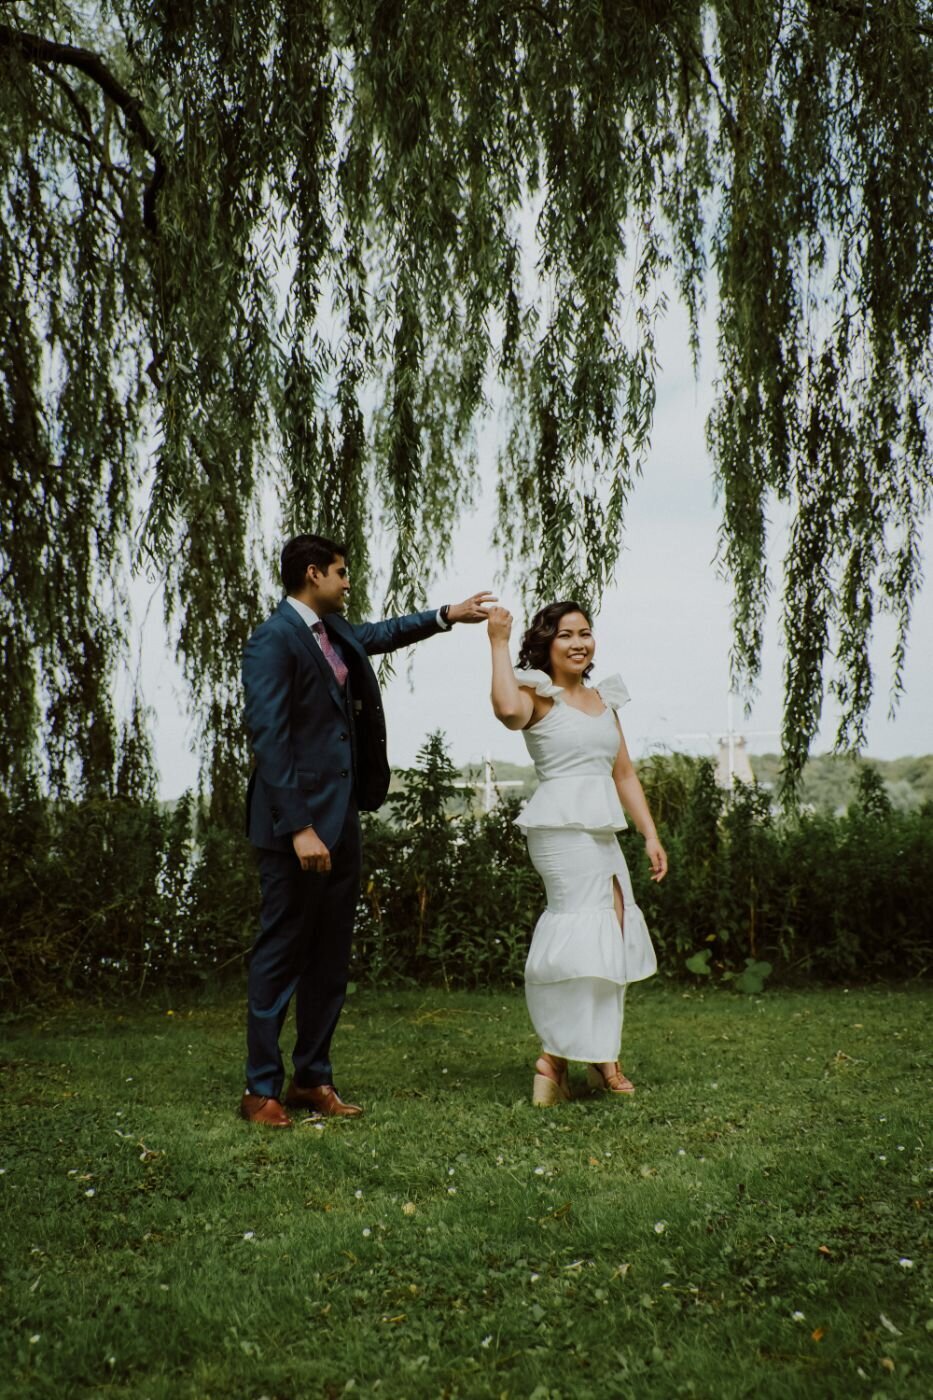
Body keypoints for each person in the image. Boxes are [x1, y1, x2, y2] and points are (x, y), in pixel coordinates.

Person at [240, 532, 493, 1127]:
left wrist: (447, 616)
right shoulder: (272, 642)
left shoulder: (334, 631)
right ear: (312, 574)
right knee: (281, 956)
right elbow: (270, 741)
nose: (348, 581)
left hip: (343, 818)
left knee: (330, 958)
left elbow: (380, 635)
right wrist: (300, 827)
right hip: (294, 831)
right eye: (340, 571)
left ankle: (312, 1079)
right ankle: (260, 1091)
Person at [487, 599, 667, 1105]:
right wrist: (498, 643)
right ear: (547, 643)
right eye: (566, 634)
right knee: (583, 929)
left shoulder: (603, 700)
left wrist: (649, 834)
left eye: (585, 633)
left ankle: (592, 1057)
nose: (579, 643)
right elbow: (505, 711)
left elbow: (624, 772)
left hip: (603, 828)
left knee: (611, 929)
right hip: (560, 825)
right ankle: (562, 1059)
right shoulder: (536, 694)